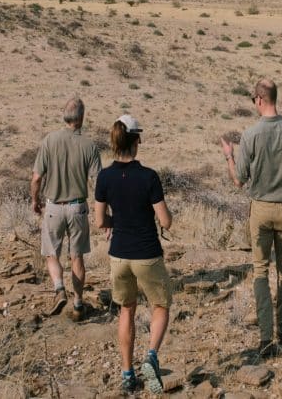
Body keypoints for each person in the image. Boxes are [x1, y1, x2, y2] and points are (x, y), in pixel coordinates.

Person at [220, 78, 282, 357]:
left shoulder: (251, 134)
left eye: (253, 99)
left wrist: (229, 156)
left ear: (260, 100)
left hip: (261, 209)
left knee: (261, 271)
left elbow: (239, 180)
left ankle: (266, 337)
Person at [94, 114, 173, 395]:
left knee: (126, 310)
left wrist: (119, 222)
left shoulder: (105, 177)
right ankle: (151, 356)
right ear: (136, 140)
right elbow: (165, 221)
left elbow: (100, 221)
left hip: (119, 255)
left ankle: (128, 374)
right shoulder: (148, 177)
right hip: (147, 252)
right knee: (160, 306)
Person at [30, 96, 102, 320]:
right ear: (82, 117)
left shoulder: (50, 141)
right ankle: (79, 303)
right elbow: (98, 183)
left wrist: (35, 200)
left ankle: (60, 289)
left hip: (53, 207)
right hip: (78, 207)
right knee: (77, 257)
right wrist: (104, 211)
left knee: (52, 253)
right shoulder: (89, 145)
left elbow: (36, 179)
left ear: (65, 116)